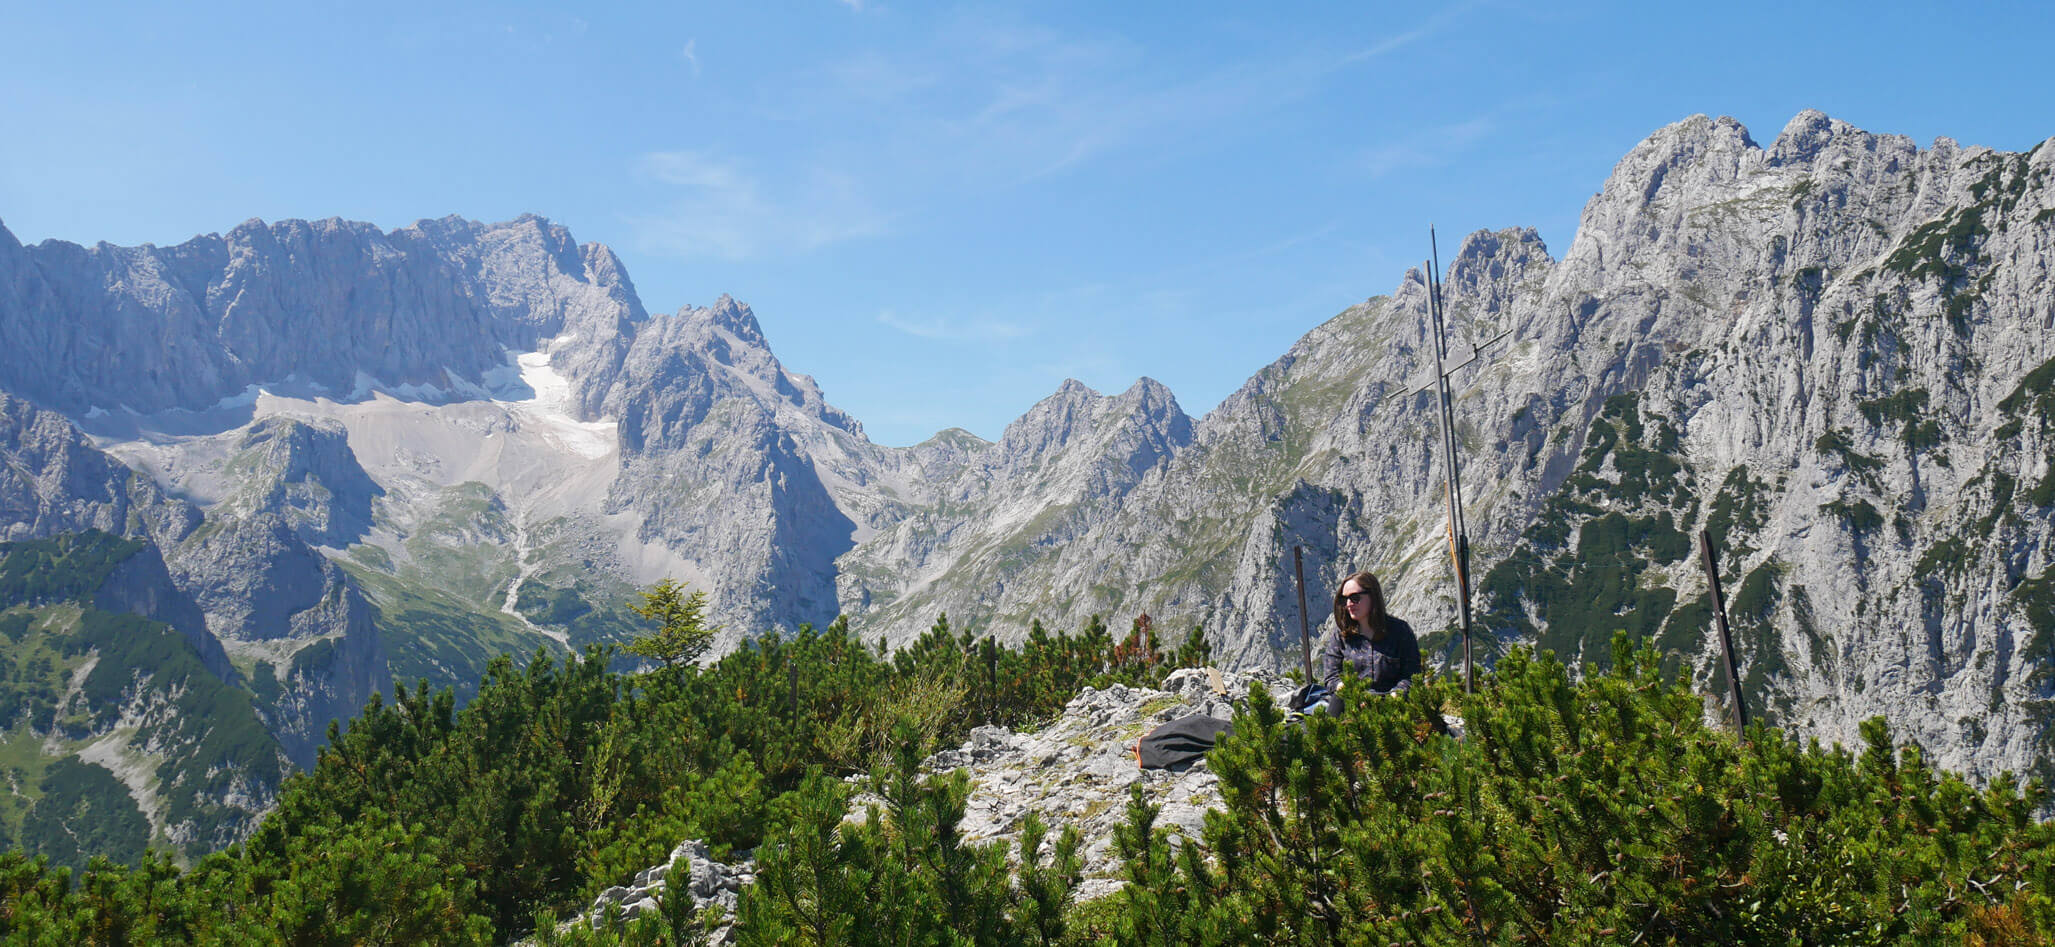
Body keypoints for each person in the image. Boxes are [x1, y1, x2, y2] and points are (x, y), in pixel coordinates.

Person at [1315, 571, 1421, 712]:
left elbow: (1411, 674)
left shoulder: (1400, 631)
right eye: (1344, 599)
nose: (1348, 604)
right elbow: (1331, 677)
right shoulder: (1341, 635)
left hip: (1393, 706)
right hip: (1350, 705)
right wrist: (1354, 694)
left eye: (1355, 598)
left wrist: (1393, 696)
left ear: (1373, 596)